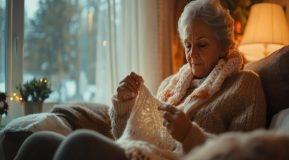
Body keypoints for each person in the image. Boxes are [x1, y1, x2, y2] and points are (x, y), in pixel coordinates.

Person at [14, 0, 266, 160]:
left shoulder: (245, 84)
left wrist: (189, 134)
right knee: (39, 142)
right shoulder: (170, 85)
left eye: (201, 44)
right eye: (187, 45)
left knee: (81, 144)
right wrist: (124, 106)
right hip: (140, 153)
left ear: (224, 46)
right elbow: (130, 136)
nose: (192, 54)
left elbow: (248, 153)